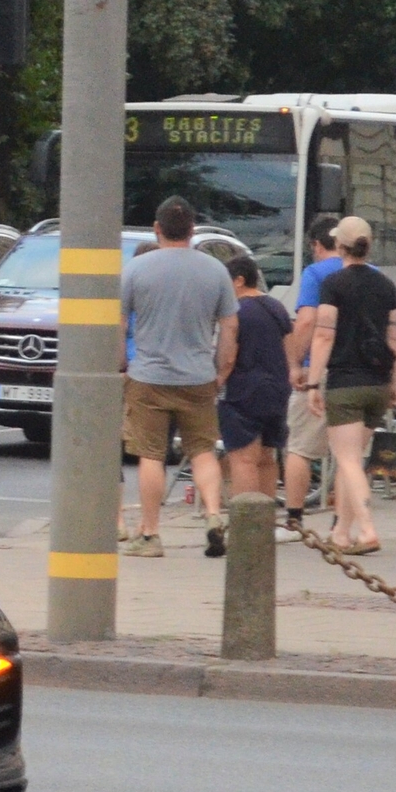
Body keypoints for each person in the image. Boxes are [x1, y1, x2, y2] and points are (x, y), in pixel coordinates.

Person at [120, 196, 238, 559]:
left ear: (157, 230)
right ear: (192, 230)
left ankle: (151, 534)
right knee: (202, 450)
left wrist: (121, 365)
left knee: (151, 455)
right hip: (198, 377)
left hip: (148, 376)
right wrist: (222, 371)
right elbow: (230, 326)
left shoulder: (136, 270)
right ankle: (215, 516)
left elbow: (119, 325)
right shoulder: (216, 270)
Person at [306, 215, 396, 554]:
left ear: (339, 245)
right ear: (368, 245)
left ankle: (368, 529)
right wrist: (394, 385)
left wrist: (313, 384)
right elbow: (393, 341)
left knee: (347, 459)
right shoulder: (387, 286)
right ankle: (341, 534)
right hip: (377, 381)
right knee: (354, 460)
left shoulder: (333, 283)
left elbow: (322, 334)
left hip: (346, 383)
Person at [218, 254, 295, 509]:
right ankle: (266, 521)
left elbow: (228, 356)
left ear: (239, 281)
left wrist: (218, 380)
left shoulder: (235, 311)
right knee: (267, 457)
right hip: (277, 390)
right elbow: (289, 349)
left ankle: (246, 521)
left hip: (244, 390)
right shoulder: (276, 307)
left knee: (243, 459)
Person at [282, 214, 342, 530]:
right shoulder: (373, 273)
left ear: (317, 245)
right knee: (348, 455)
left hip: (321, 370)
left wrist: (295, 364)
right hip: (359, 373)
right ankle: (341, 524)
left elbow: (306, 322)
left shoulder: (316, 274)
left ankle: (294, 518)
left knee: (300, 448)